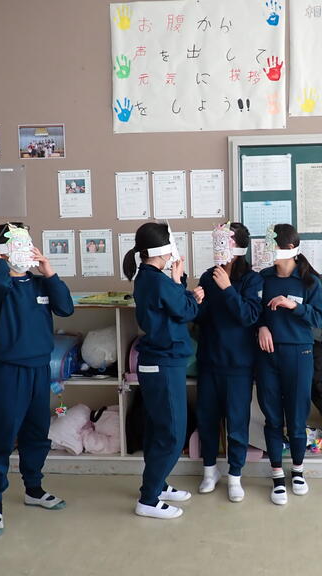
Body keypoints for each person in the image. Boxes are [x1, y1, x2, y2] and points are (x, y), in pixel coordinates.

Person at [0, 222, 74, 537]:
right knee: (1, 438)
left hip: (38, 370)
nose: (25, 249)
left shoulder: (40, 284)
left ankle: (34, 489)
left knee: (36, 434)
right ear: (1, 252)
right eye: (16, 244)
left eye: (28, 242)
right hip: (7, 372)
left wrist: (49, 271)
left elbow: (66, 308)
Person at [122, 222, 204, 519]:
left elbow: (175, 305)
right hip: (162, 364)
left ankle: (157, 485)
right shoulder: (156, 281)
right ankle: (148, 499)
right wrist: (190, 293)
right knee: (171, 433)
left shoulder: (150, 277)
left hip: (161, 362)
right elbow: (186, 310)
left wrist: (179, 283)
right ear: (162, 249)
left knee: (160, 430)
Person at [256, 224, 322, 506]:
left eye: (271, 246)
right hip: (267, 355)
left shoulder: (309, 282)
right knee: (272, 417)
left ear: (289, 249)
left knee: (297, 418)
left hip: (299, 354)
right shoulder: (263, 279)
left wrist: (294, 306)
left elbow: (319, 320)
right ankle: (276, 475)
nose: (267, 251)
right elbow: (253, 312)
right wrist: (261, 327)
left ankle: (297, 471)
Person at [195, 222, 262, 502]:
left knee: (236, 422)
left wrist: (228, 289)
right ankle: (209, 470)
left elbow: (249, 316)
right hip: (209, 361)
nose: (220, 248)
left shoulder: (252, 279)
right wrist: (196, 301)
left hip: (238, 364)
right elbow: (200, 319)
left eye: (226, 242)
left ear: (238, 247)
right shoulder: (208, 276)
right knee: (207, 419)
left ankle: (235, 475)